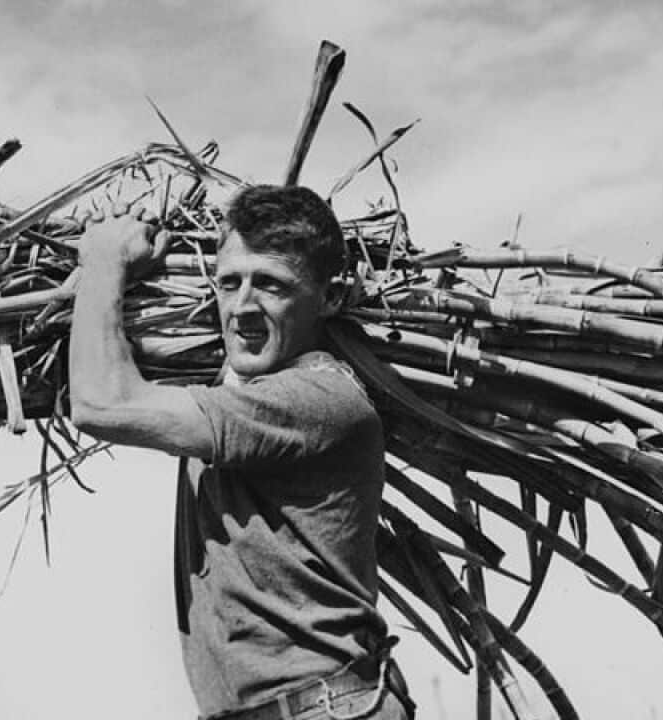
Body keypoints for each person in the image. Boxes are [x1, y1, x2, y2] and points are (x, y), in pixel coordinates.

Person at [69, 184, 415, 720]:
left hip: (324, 709)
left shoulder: (317, 400)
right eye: (229, 282)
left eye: (271, 285)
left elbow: (101, 403)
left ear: (330, 296)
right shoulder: (243, 389)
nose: (242, 307)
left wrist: (102, 262)